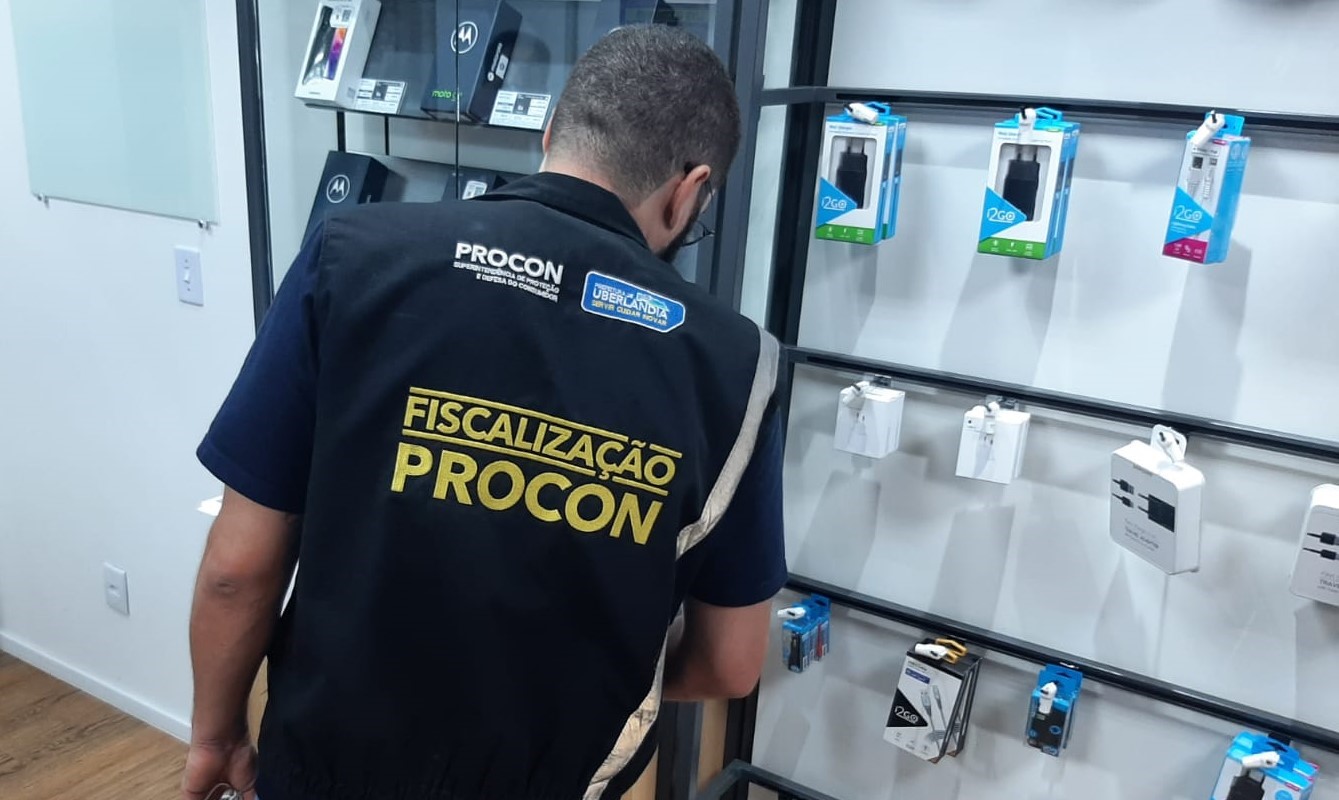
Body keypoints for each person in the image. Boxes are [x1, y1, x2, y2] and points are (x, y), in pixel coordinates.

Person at [184, 24, 786, 800]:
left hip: (326, 769)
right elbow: (730, 663)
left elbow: (237, 571)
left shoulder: (351, 256)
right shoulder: (737, 364)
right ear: (688, 190)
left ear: (550, 132)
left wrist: (216, 734)